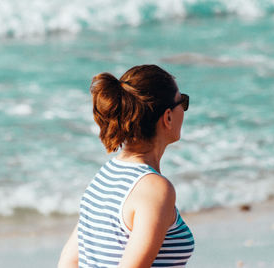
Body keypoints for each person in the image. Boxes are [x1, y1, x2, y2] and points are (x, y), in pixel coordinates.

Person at [58, 64, 194, 268]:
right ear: (167, 117)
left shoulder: (105, 177)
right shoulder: (154, 190)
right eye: (182, 102)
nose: (184, 108)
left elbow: (68, 261)